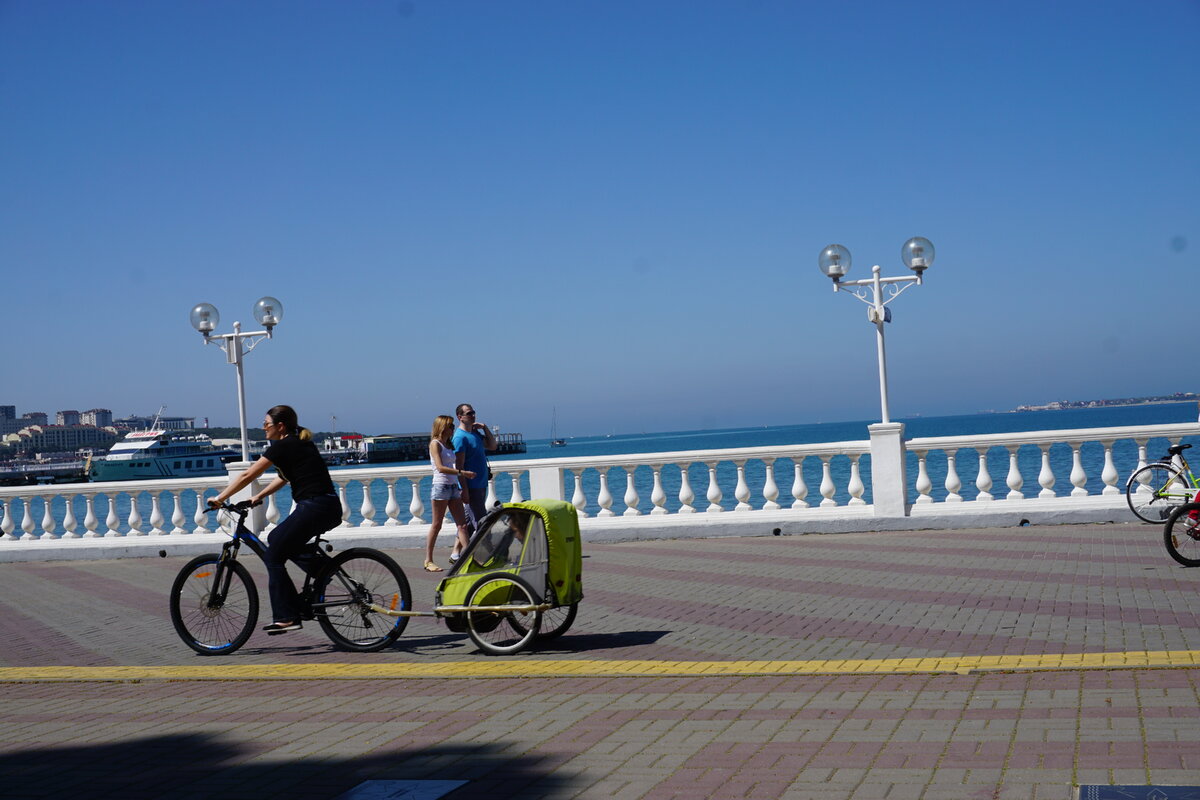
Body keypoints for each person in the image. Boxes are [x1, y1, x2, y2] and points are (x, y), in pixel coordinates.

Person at [208, 405, 341, 635]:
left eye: (266, 424)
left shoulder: (284, 445)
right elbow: (284, 476)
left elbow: (249, 474)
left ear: (280, 426)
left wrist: (220, 498)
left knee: (273, 553)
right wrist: (258, 496)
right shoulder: (298, 442)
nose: (263, 428)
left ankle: (287, 616)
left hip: (315, 506)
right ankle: (322, 571)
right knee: (281, 542)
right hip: (325, 505)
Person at [424, 414, 474, 572]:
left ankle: (468, 558)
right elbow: (439, 467)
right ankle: (428, 560)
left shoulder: (448, 444)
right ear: (443, 426)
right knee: (437, 524)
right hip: (441, 487)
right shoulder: (435, 444)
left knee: (462, 525)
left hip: (453, 487)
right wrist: (462, 473)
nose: (453, 428)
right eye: (451, 426)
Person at [452, 403, 497, 528]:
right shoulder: (460, 438)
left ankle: (459, 548)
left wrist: (485, 428)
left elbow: (493, 446)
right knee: (481, 523)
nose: (473, 415)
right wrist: (464, 490)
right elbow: (459, 467)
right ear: (460, 417)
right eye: (469, 413)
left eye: (473, 412)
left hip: (481, 483)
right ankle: (486, 547)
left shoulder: (475, 434)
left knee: (467, 525)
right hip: (472, 487)